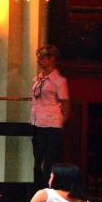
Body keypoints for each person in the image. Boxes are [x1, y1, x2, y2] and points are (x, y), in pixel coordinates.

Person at [30, 45, 69, 187]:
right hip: (37, 123)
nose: (39, 60)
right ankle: (37, 193)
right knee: (37, 163)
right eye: (38, 57)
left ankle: (49, 192)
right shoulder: (37, 79)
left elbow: (65, 105)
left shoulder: (59, 81)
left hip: (52, 125)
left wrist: (60, 123)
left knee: (48, 164)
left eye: (43, 57)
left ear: (52, 59)